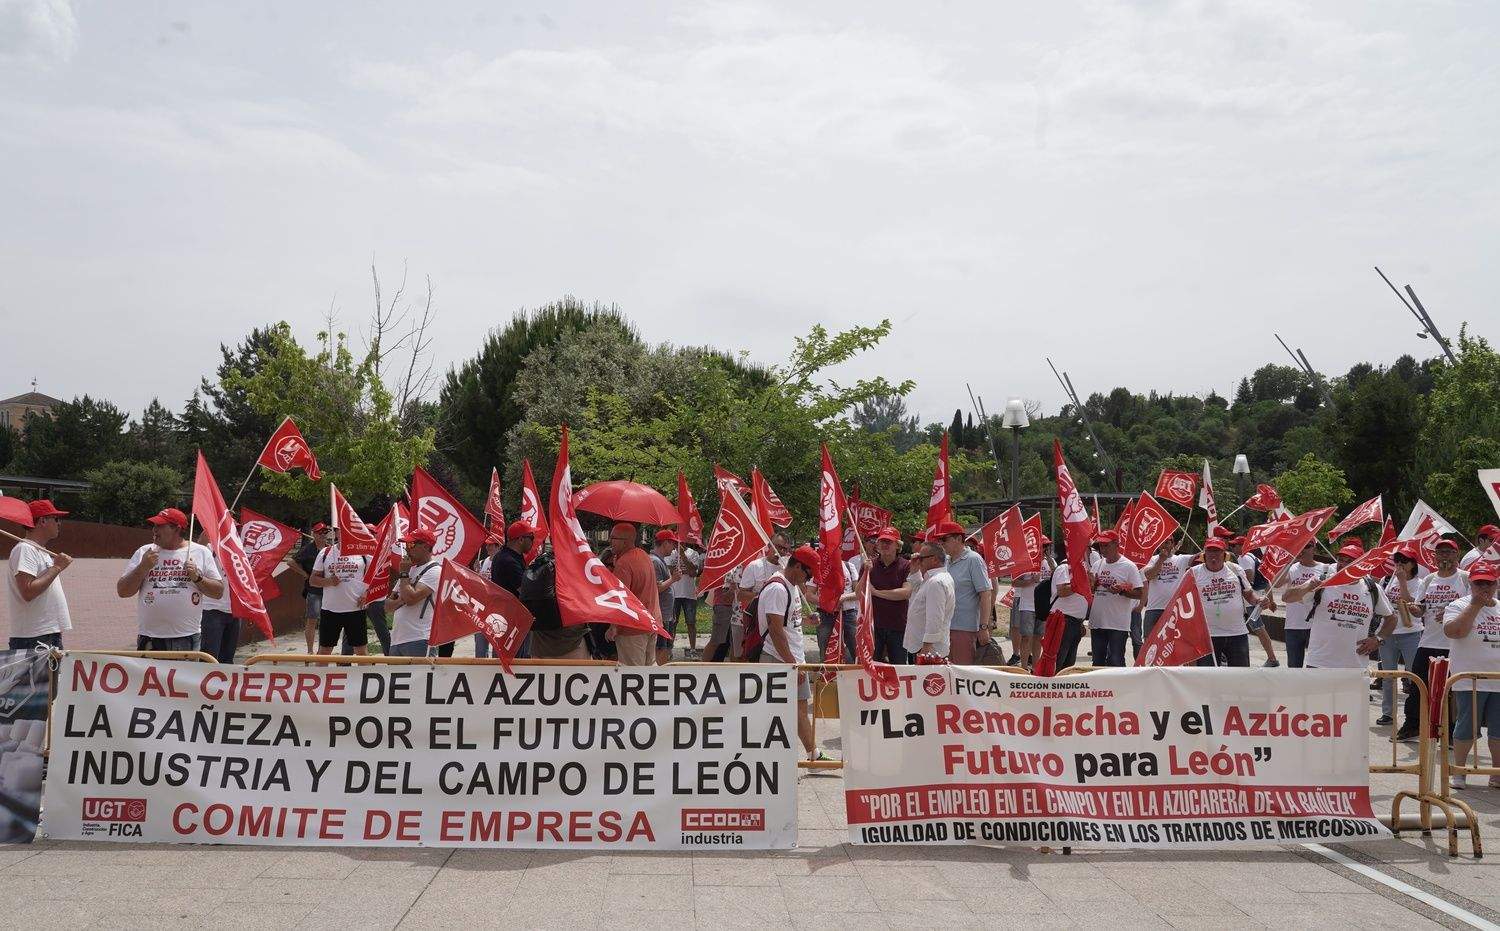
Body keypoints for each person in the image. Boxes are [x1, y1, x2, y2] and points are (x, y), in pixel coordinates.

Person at [117, 507, 224, 652]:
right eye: (154, 525)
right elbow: (123, 591)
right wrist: (142, 567)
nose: (155, 530)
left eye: (160, 526)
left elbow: (218, 592)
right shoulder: (144, 552)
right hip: (149, 639)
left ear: (177, 529)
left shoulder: (200, 552)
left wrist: (197, 578)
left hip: (186, 638)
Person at [1398, 538, 1470, 741]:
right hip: (1428, 641)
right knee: (1418, 685)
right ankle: (1413, 725)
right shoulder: (1429, 580)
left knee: (1452, 689)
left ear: (1457, 555)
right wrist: (1415, 609)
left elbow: (1475, 605)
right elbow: (1421, 608)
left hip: (1455, 644)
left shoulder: (1465, 578)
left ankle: (1451, 731)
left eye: (1449, 552)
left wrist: (1452, 612)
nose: (1445, 555)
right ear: (1435, 556)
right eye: (1441, 552)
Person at [757, 544, 824, 761]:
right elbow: (775, 630)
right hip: (779, 658)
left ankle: (813, 754)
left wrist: (805, 620)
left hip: (792, 658)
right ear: (797, 566)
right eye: (808, 574)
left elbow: (786, 621)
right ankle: (772, 758)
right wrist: (792, 664)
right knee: (775, 713)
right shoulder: (777, 588)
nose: (808, 579)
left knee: (799, 710)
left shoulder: (791, 585)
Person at [1288, 541, 1393, 671]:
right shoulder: (1323, 582)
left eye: (1349, 561)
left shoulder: (1372, 588)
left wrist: (1378, 639)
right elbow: (1288, 597)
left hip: (1356, 666)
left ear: (1361, 564)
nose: (1342, 564)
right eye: (1341, 560)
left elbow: (1392, 618)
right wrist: (1307, 587)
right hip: (1320, 663)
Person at [1441, 563, 1499, 789]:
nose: (1484, 587)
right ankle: (1459, 772)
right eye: (1479, 583)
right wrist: (1475, 605)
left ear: (1496, 584)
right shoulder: (1458, 605)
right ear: (1470, 584)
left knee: (1498, 730)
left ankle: (1496, 774)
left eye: (1489, 583)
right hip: (1469, 680)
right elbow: (1455, 632)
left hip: (1498, 680)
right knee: (1467, 726)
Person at [5, 499, 72, 650]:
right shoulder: (25, 549)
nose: (59, 524)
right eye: (56, 519)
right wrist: (57, 567)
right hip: (33, 638)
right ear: (42, 521)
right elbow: (28, 591)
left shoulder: (39, 550)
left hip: (45, 635)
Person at [1187, 537, 1261, 667]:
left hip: (1237, 633)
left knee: (1240, 674)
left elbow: (1249, 594)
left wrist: (1258, 600)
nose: (1213, 555)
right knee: (1207, 675)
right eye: (1210, 551)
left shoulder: (1236, 570)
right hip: (1207, 636)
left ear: (1225, 554)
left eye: (1217, 551)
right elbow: (1183, 600)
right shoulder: (1193, 573)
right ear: (1204, 554)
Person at [1376, 550, 1426, 726]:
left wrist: (1403, 581)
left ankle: (1413, 716)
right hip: (1389, 633)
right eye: (1397, 560)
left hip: (1410, 633)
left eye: (1404, 561)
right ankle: (1388, 713)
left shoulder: (1420, 583)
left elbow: (1412, 603)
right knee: (1388, 675)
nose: (1399, 564)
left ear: (1413, 564)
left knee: (1413, 676)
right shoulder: (1387, 580)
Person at [934, 520, 993, 665]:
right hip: (944, 627)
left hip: (964, 628)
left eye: (944, 539)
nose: (941, 543)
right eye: (940, 540)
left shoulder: (974, 560)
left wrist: (983, 627)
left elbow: (985, 594)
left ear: (958, 538)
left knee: (961, 671)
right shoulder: (946, 561)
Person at [310, 525, 370, 657]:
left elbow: (374, 578)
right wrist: (329, 581)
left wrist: (367, 594)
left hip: (356, 610)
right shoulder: (326, 553)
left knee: (361, 651)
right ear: (336, 533)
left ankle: (364, 672)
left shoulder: (363, 554)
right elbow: (313, 580)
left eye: (349, 529)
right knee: (324, 651)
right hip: (330, 610)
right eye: (341, 530)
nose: (346, 533)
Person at [608, 522, 661, 666]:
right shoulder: (644, 555)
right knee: (650, 668)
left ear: (625, 542)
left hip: (632, 627)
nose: (610, 541)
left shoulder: (624, 563)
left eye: (613, 538)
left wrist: (613, 626)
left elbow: (620, 598)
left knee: (632, 673)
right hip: (651, 621)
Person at [1089, 530, 1143, 667]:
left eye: (1106, 545)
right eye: (1101, 546)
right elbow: (1090, 591)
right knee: (1097, 662)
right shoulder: (1097, 565)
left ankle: (1120, 682)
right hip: (1097, 621)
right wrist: (1092, 585)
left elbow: (1139, 593)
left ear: (1116, 544)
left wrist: (1122, 591)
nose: (1103, 549)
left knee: (1116, 660)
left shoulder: (1129, 566)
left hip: (1117, 624)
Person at [387, 529, 443, 656]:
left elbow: (411, 599)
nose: (407, 548)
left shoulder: (435, 570)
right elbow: (388, 606)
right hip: (396, 640)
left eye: (411, 544)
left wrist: (404, 574)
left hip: (420, 639)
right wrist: (403, 598)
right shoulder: (409, 570)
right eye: (406, 544)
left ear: (426, 547)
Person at [1275, 542, 1329, 668]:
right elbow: (1276, 583)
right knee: (1294, 667)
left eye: (1307, 546)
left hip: (1315, 625)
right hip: (1293, 624)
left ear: (1314, 549)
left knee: (1315, 666)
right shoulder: (1292, 568)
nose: (1303, 550)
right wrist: (1289, 562)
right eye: (1300, 546)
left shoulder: (1325, 569)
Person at [1233, 538, 1281, 667]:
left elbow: (1247, 580)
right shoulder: (1254, 558)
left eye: (1235, 545)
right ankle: (1271, 658)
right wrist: (1271, 600)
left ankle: (1272, 658)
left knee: (1258, 629)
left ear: (1243, 546)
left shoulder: (1243, 558)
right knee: (1258, 629)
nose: (1233, 548)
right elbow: (1267, 581)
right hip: (1255, 599)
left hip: (1248, 602)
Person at [867, 527, 912, 664]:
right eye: (882, 541)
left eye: (889, 542)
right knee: (871, 667)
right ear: (877, 545)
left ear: (898, 546)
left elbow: (905, 593)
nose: (885, 545)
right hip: (873, 627)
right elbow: (859, 592)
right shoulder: (869, 565)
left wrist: (876, 592)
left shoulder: (906, 566)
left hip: (898, 626)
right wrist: (865, 574)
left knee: (899, 668)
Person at [906, 539, 955, 661]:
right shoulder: (934, 579)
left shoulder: (936, 582)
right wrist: (914, 571)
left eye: (921, 558)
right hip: (924, 647)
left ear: (934, 559)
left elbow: (935, 619)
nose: (918, 561)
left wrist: (925, 651)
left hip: (928, 650)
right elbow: (916, 591)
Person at [286, 523, 330, 653]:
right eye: (319, 532)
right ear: (314, 534)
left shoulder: (329, 549)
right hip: (313, 590)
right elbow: (291, 562)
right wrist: (305, 574)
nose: (322, 535)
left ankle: (322, 650)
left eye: (325, 532)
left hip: (328, 589)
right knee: (312, 620)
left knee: (326, 621)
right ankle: (310, 651)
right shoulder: (308, 549)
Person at [195, 536, 239, 664]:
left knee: (227, 659)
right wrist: (208, 530)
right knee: (209, 657)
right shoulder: (210, 546)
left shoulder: (239, 548)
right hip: (212, 609)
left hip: (234, 610)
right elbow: (199, 548)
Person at [1050, 541, 1091, 671]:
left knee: (1069, 662)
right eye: (1087, 548)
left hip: (1075, 622)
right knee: (1058, 660)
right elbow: (1062, 591)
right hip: (1064, 620)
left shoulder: (1081, 568)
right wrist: (1082, 582)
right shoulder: (1064, 568)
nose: (1089, 552)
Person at [1143, 539, 1193, 643]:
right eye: (1161, 542)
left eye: (1167, 542)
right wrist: (1161, 560)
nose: (1164, 545)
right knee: (1149, 643)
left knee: (1174, 643)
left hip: (1174, 609)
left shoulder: (1181, 559)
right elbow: (1148, 576)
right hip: (1154, 608)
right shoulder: (1151, 560)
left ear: (1173, 544)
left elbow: (1199, 557)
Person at [649, 530, 683, 664]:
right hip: (660, 614)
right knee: (660, 649)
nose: (674, 548)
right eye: (672, 543)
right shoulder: (655, 562)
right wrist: (673, 579)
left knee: (665, 647)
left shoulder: (660, 561)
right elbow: (656, 589)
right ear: (665, 543)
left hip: (665, 613)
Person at [668, 541, 704, 656]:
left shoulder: (693, 553)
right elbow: (670, 570)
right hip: (674, 593)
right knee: (672, 622)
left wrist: (683, 555)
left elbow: (693, 572)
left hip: (689, 594)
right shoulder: (671, 553)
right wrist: (685, 570)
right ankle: (669, 649)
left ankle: (693, 649)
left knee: (691, 622)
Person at [703, 566, 743, 662]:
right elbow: (726, 596)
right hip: (723, 605)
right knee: (716, 640)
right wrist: (733, 590)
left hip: (737, 608)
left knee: (735, 644)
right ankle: (703, 667)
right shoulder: (731, 567)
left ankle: (733, 669)